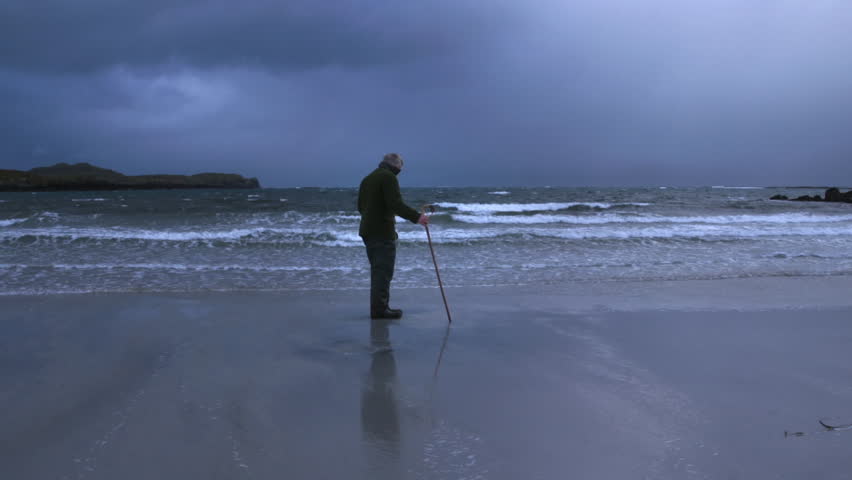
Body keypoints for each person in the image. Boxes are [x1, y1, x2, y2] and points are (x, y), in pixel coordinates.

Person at [357, 153, 429, 319]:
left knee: (378, 271)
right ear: (396, 166)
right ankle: (380, 310)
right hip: (382, 232)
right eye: (400, 169)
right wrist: (418, 217)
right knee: (383, 272)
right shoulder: (389, 177)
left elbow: (361, 206)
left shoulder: (367, 179)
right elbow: (395, 204)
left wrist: (373, 217)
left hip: (367, 231)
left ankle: (379, 308)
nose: (399, 172)